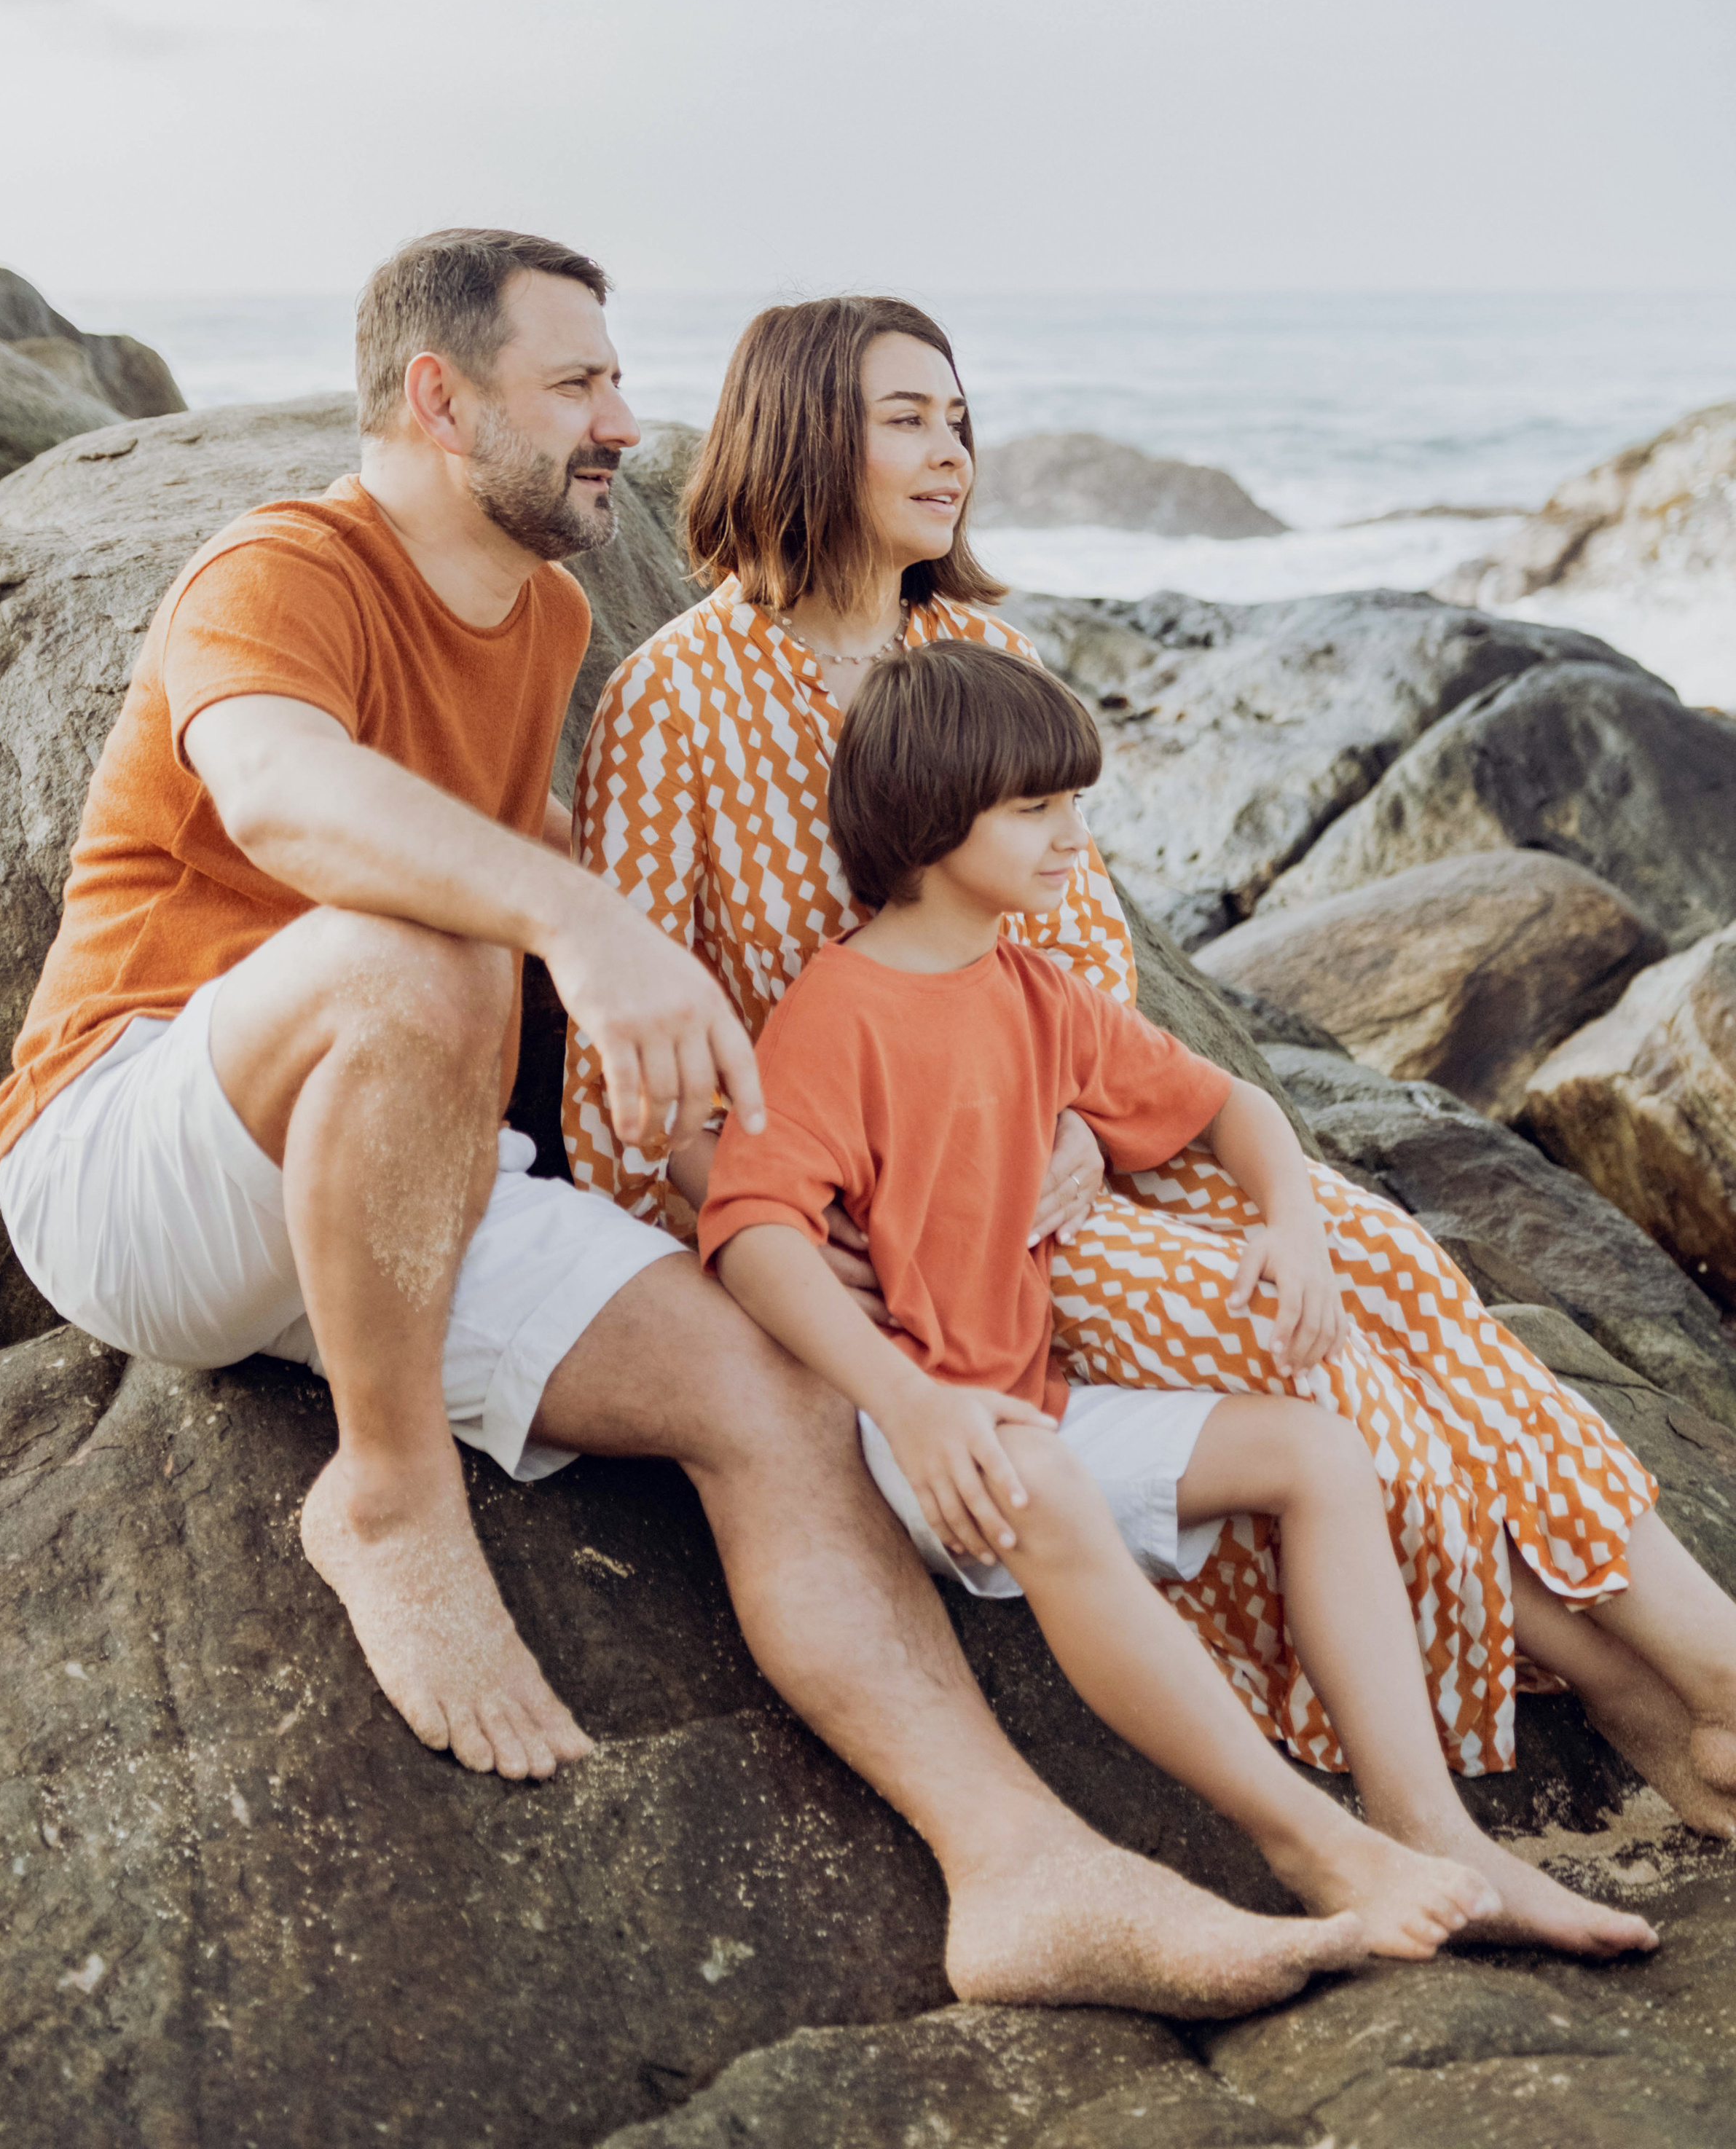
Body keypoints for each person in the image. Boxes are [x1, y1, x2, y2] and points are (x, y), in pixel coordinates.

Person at [0, 226, 1386, 2023]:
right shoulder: (281, 568)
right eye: (574, 385)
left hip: (398, 1183)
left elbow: (581, 890)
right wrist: (578, 922)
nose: (623, 425)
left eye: (617, 384)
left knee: (776, 1386)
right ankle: (391, 1494)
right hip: (137, 1152)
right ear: (436, 395)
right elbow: (283, 793)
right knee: (431, 952)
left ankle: (1019, 1875)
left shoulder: (551, 614)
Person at [566, 291, 1736, 1928]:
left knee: (1367, 1253)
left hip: (1067, 1146)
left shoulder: (983, 653)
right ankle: (1637, 1685)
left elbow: (1084, 971)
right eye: (905, 416)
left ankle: (1693, 1675)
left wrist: (1079, 1131)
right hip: (881, 1215)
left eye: (958, 417)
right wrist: (751, 1212)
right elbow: (630, 1053)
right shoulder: (675, 701)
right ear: (799, 432)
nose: (949, 450)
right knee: (1275, 1339)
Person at [699, 639, 1640, 1957]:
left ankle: (1431, 1827)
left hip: (1034, 1408)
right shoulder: (834, 1014)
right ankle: (1311, 1853)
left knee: (1317, 1450)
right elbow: (749, 1229)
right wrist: (904, 1401)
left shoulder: (1033, 993)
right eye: (1036, 809)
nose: (1073, 838)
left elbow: (1233, 1105)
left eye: (1075, 804)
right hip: (918, 1434)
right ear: (926, 815)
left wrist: (1295, 1227)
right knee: (1050, 1477)